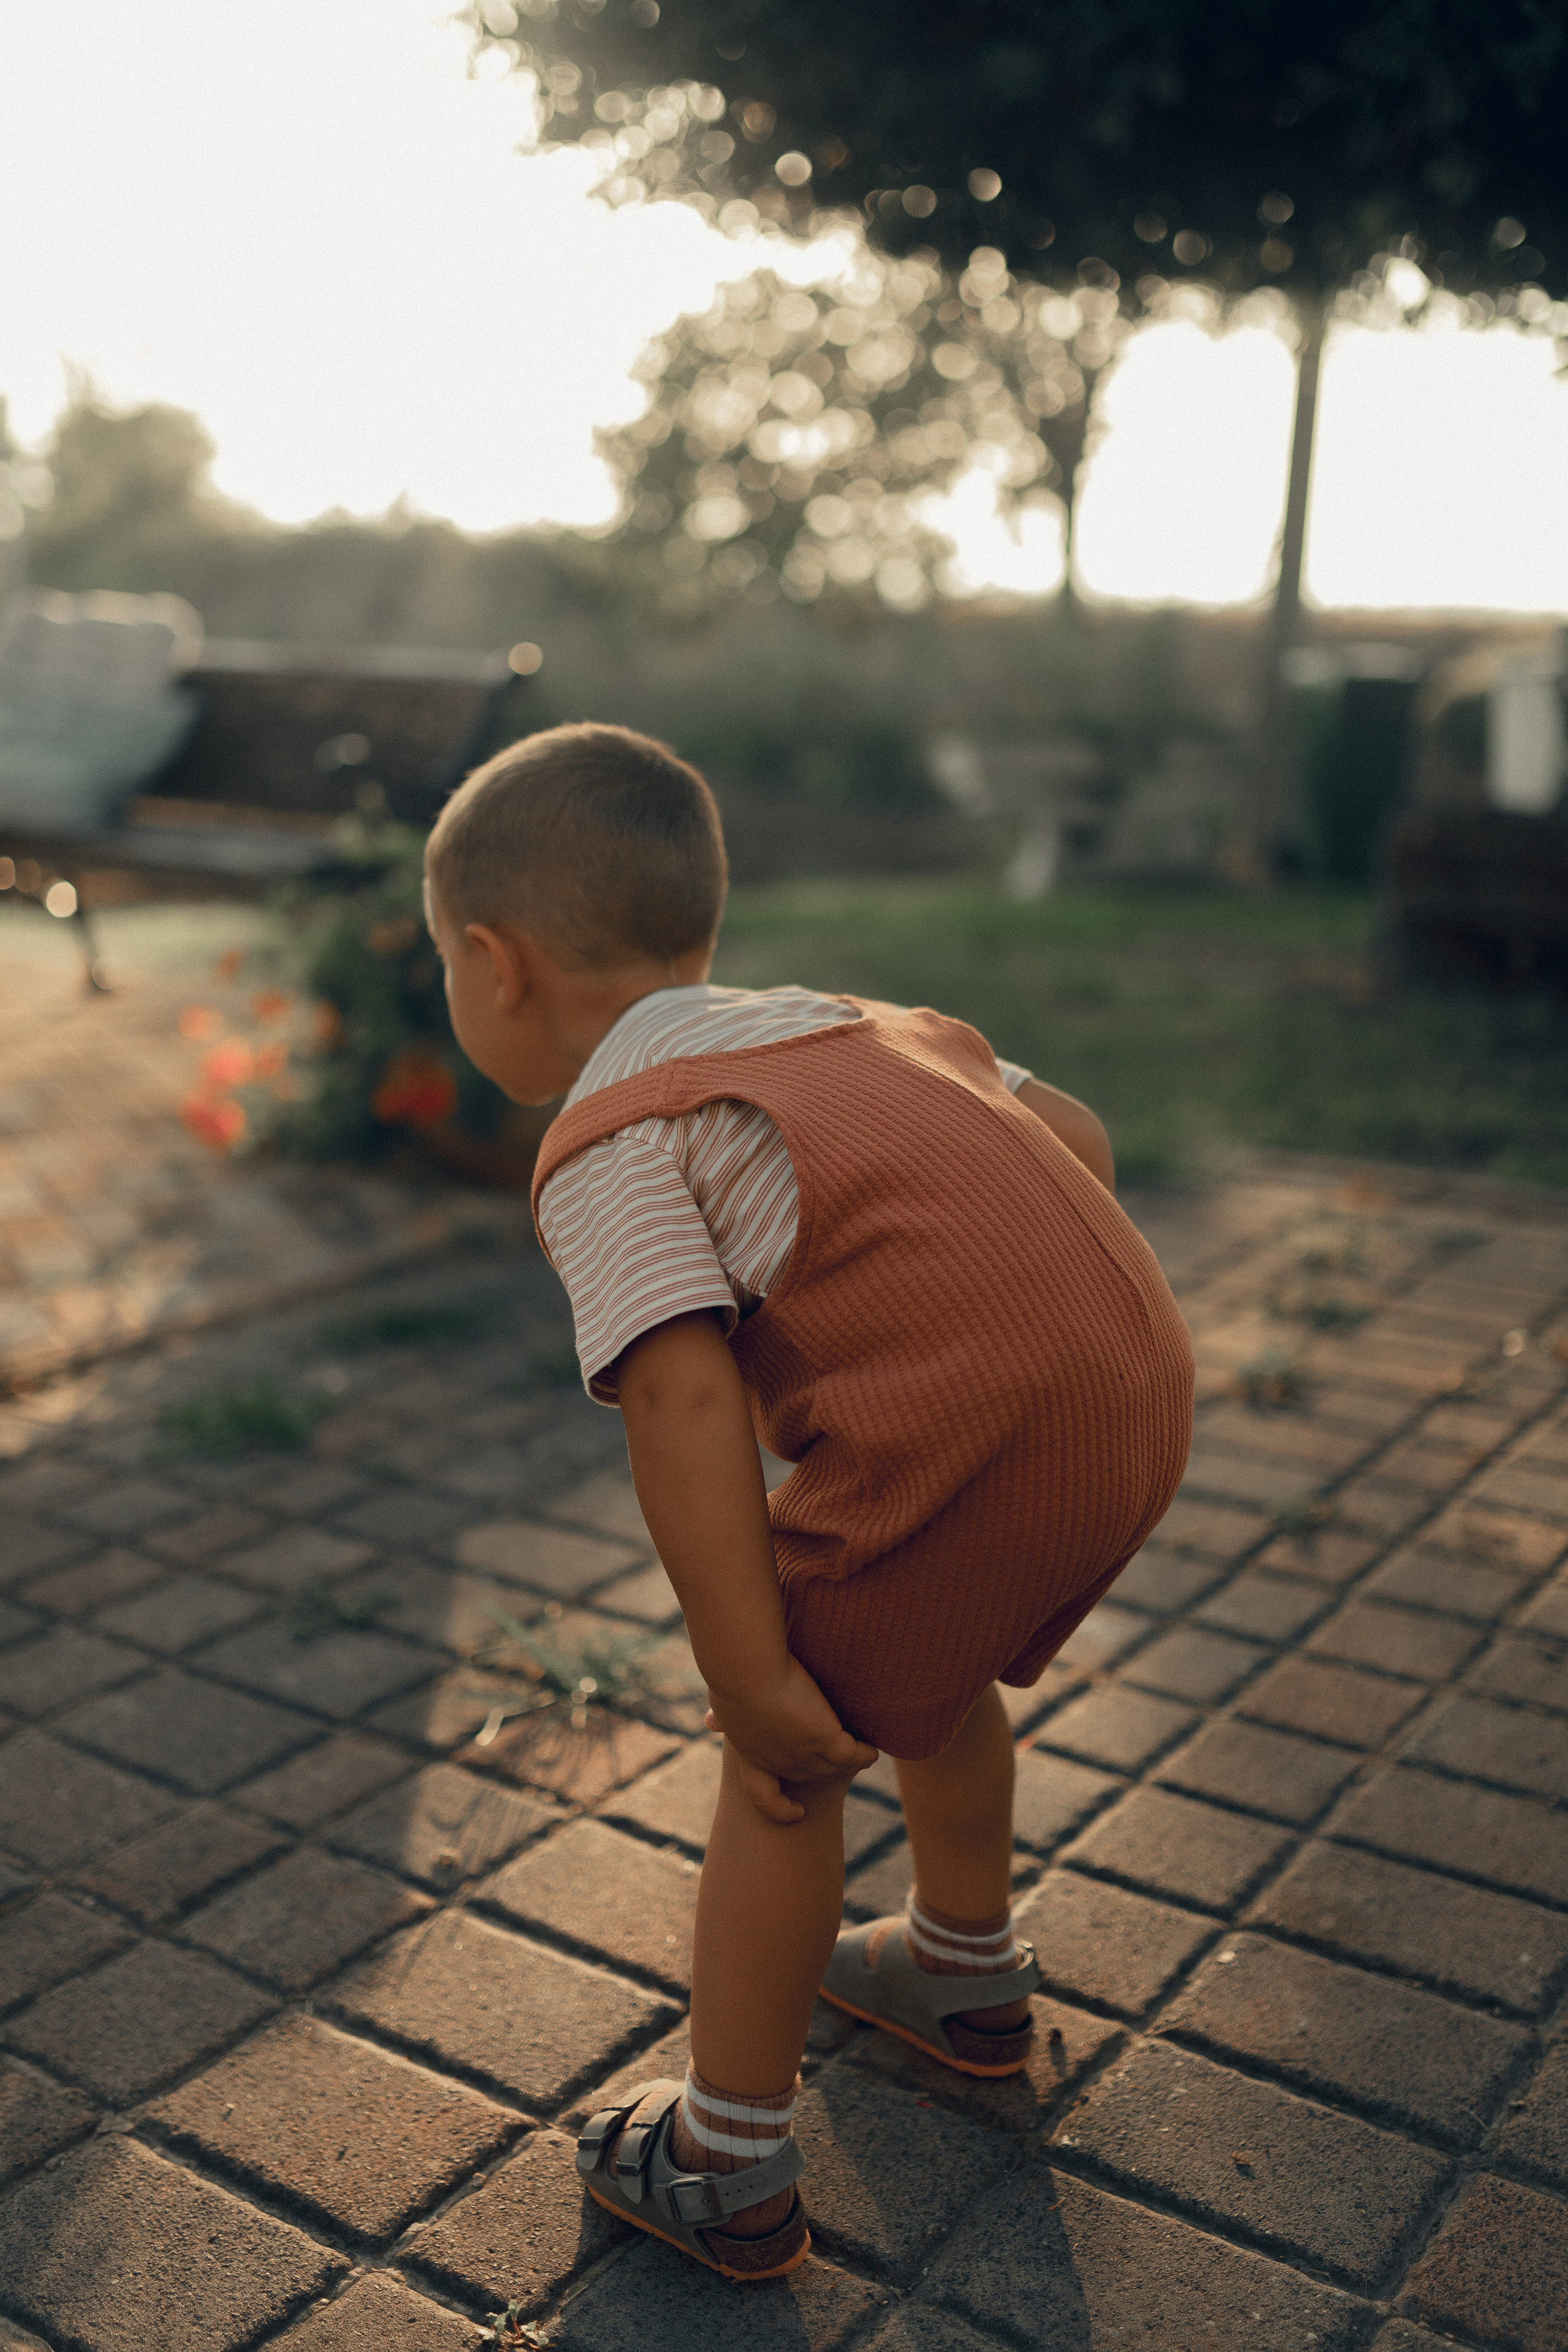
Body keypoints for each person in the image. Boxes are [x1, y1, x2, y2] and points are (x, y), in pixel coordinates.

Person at [424, 722, 1193, 2282]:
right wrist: (1011, 1343)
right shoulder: (859, 1024)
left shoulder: (613, 1138)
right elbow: (1078, 1140)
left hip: (976, 1439)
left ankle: (727, 2157)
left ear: (494, 965)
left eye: (445, 966)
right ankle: (958, 1971)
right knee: (929, 1650)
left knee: (787, 1763)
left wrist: (741, 1662)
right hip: (1134, 1396)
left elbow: (683, 1398)